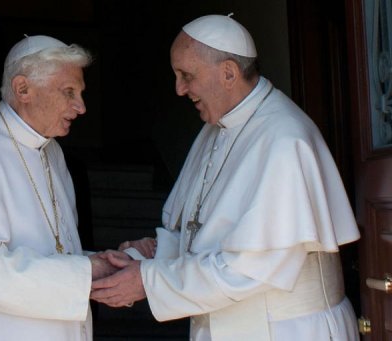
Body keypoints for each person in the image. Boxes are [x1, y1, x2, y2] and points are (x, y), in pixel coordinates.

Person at [90, 14, 361, 341]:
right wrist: (150, 253)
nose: (179, 89)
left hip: (285, 331)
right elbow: (205, 233)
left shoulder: (285, 140)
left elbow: (248, 269)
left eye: (186, 75)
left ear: (229, 73)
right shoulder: (215, 130)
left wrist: (148, 280)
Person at [0, 35, 117, 340]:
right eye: (69, 92)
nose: (81, 107)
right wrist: (87, 271)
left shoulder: (53, 152)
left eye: (80, 93)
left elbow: (56, 251)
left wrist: (102, 263)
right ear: (23, 89)